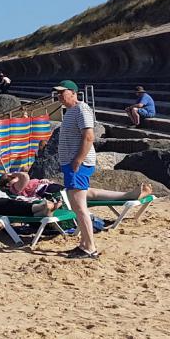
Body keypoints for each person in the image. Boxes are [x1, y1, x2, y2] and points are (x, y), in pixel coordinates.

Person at [54, 79, 99, 259]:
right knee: (75, 205)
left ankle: (90, 247)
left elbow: (89, 136)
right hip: (71, 164)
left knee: (80, 206)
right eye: (58, 93)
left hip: (78, 165)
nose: (59, 96)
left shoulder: (81, 109)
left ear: (73, 92)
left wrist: (77, 161)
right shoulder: (71, 111)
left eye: (62, 92)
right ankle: (84, 244)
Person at [0, 171, 153, 203]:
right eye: (11, 179)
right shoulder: (15, 188)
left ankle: (127, 195)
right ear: (8, 184)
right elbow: (25, 176)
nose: (15, 179)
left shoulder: (17, 185)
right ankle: (128, 196)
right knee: (90, 193)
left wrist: (43, 180)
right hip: (51, 194)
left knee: (90, 192)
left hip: (52, 189)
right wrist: (16, 173)